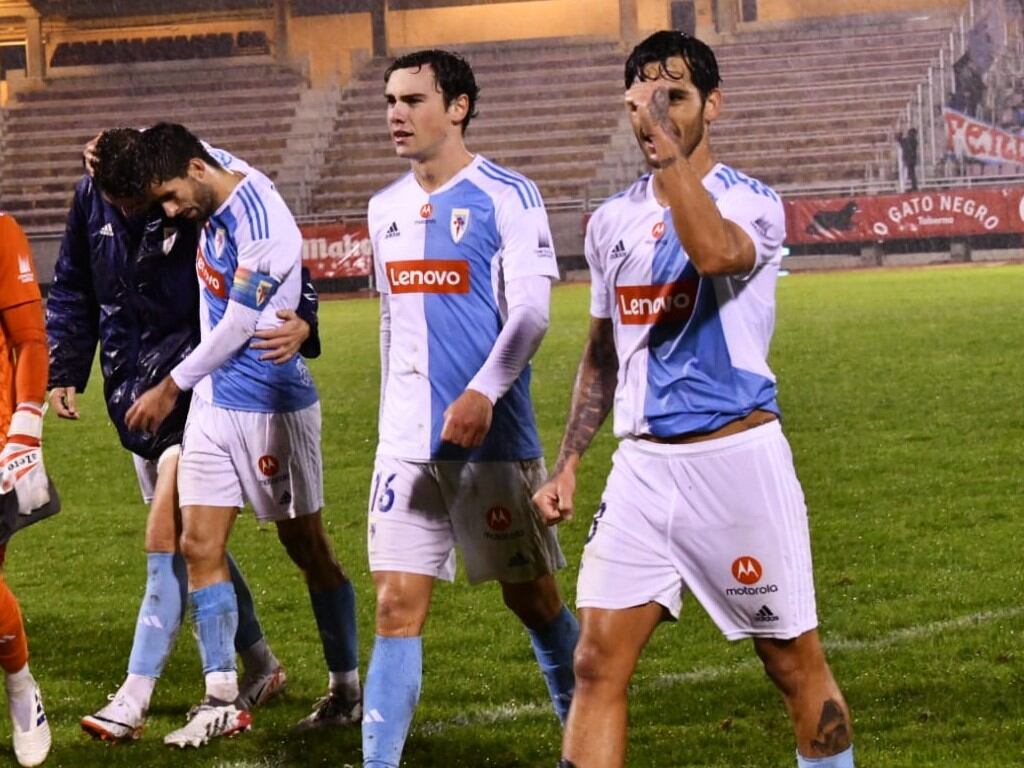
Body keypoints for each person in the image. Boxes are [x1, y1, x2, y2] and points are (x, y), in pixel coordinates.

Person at [532, 31, 855, 768]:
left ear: (714, 103)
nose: (657, 113)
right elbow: (604, 349)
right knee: (595, 663)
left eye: (673, 96)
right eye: (644, 100)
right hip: (642, 469)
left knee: (791, 664)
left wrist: (671, 155)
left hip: (734, 463)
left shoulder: (754, 204)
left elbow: (713, 254)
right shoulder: (610, 220)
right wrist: (570, 461)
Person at [45, 128, 322, 742]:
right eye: (115, 205)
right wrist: (66, 366)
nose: (135, 215)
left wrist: (306, 318)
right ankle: (261, 666)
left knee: (168, 538)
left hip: (195, 381)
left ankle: (136, 696)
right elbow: (74, 283)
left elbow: (274, 250)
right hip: (132, 392)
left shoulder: (184, 190)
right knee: (201, 541)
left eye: (139, 204)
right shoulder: (95, 194)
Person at [361, 49, 578, 768]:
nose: (397, 113)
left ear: (457, 107)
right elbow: (393, 323)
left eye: (414, 99)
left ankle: (586, 735)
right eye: (391, 100)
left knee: (535, 602)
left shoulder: (507, 195)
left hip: (493, 444)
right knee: (395, 608)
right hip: (406, 445)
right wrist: (394, 422)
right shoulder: (383, 208)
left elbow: (531, 316)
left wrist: (484, 391)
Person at [123, 122, 360, 748]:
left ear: (198, 171)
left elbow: (241, 321)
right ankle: (222, 697)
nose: (171, 212)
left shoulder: (263, 226)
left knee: (306, 547)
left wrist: (170, 385)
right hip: (215, 402)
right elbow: (164, 138)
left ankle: (346, 686)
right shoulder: (205, 166)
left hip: (271, 402)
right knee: (200, 544)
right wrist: (112, 147)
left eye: (172, 197)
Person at [0, 211, 53, 767]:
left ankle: (19, 684)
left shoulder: (1, 232)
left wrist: (25, 429)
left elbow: (30, 341)